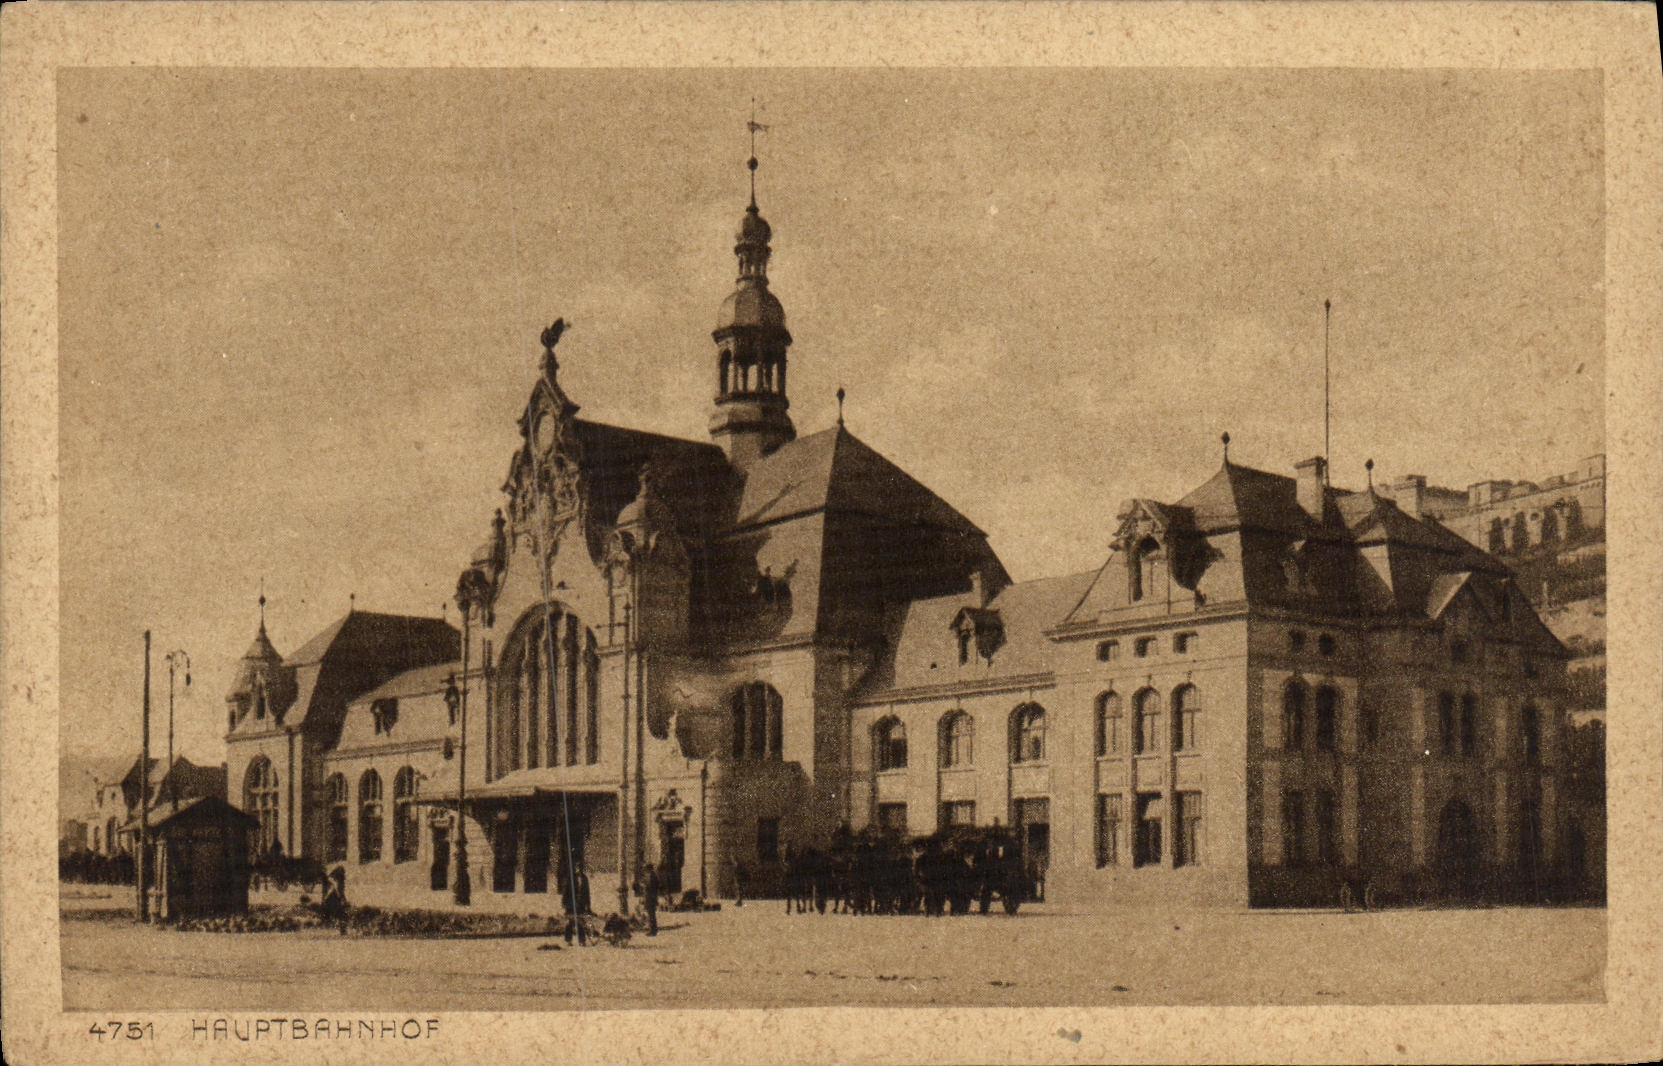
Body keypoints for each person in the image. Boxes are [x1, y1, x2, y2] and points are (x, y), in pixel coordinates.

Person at [643, 863, 660, 936]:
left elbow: (649, 886)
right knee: (651, 914)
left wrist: (644, 886)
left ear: (648, 869)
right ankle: (653, 929)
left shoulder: (651, 876)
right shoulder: (653, 875)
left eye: (645, 869)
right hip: (651, 897)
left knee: (651, 914)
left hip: (650, 897)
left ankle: (652, 930)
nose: (645, 870)